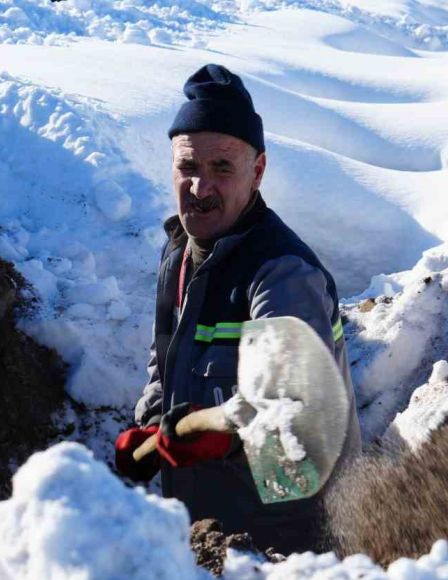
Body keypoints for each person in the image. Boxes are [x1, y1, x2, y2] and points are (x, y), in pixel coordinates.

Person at [115, 64, 362, 554]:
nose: (200, 187)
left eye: (222, 168)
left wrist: (218, 436)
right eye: (188, 167)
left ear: (258, 170)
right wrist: (154, 423)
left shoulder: (281, 273)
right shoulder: (181, 253)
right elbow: (167, 362)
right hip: (211, 537)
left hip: (289, 547)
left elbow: (294, 414)